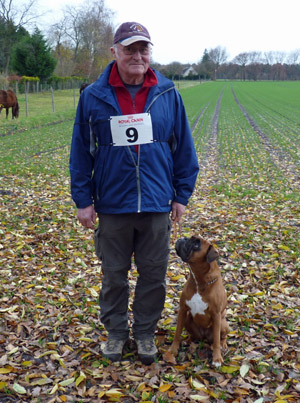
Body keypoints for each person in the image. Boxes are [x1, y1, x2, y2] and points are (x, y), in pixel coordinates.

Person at [69, 21, 199, 365]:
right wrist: (83, 200)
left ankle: (143, 334)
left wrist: (181, 195)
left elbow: (184, 148)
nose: (138, 56)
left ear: (150, 52)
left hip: (156, 204)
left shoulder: (168, 94)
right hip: (112, 204)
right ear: (115, 52)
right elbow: (81, 151)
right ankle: (115, 333)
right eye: (130, 49)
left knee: (154, 275)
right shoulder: (93, 96)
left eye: (144, 48)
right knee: (113, 274)